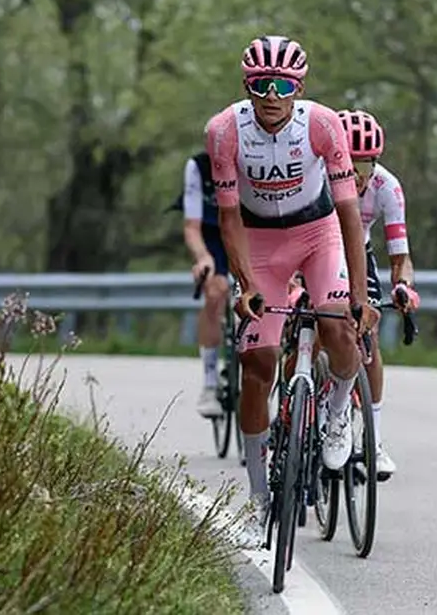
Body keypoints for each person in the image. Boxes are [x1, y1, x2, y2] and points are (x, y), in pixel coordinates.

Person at [204, 34, 379, 537]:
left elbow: (348, 213)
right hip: (260, 244)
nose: (271, 96)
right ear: (247, 86)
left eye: (282, 86)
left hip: (318, 234)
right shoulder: (224, 131)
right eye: (261, 84)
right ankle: (258, 495)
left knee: (340, 329)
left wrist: (360, 295)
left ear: (298, 89)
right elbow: (229, 218)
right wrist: (245, 285)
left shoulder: (321, 124)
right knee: (257, 362)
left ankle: (338, 411)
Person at [336, 108, 421, 480]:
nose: (358, 175)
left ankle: (375, 440)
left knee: (368, 328)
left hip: (360, 252)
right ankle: (293, 414)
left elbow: (400, 256)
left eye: (366, 166)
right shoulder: (316, 176)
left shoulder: (387, 187)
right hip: (317, 249)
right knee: (309, 325)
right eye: (350, 165)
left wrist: (403, 286)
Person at [179, 150, 232, 418]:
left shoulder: (254, 157)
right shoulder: (198, 167)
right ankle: (210, 383)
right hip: (213, 237)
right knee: (215, 292)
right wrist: (202, 257)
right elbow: (192, 226)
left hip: (250, 231)